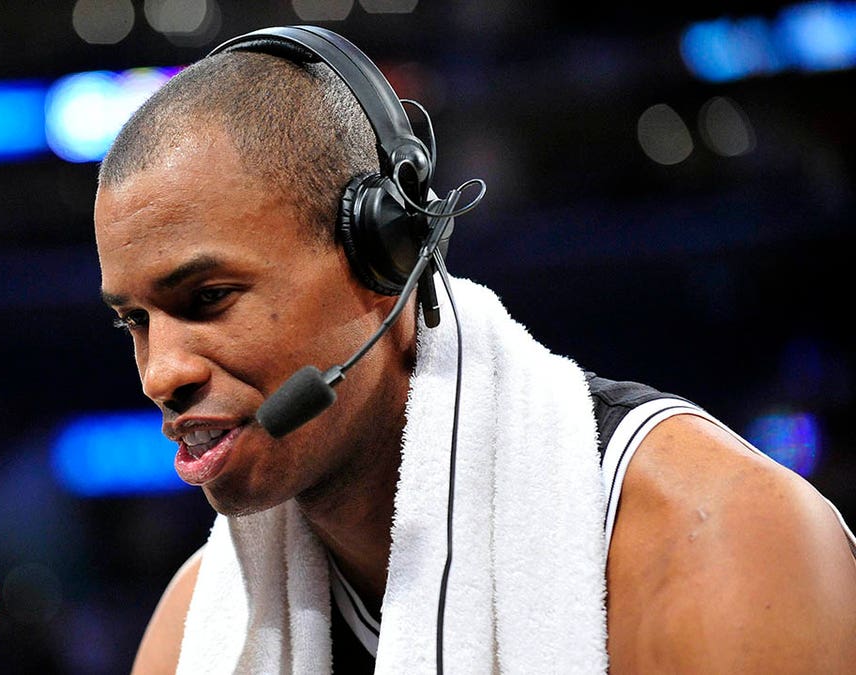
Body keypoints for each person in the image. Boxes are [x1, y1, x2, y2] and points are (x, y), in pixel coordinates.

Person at [93, 25, 856, 674]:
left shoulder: (724, 547)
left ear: (385, 257)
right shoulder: (194, 634)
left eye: (208, 299)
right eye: (134, 321)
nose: (163, 372)